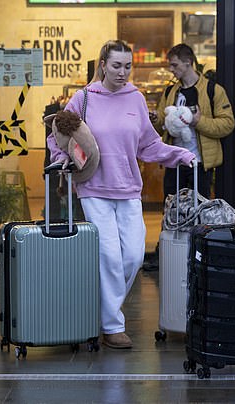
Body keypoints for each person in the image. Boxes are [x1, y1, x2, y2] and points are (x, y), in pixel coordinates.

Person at [47, 40, 195, 349]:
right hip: (93, 188)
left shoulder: (136, 99)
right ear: (102, 64)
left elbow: (148, 144)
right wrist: (60, 158)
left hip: (129, 188)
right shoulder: (84, 97)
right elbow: (58, 134)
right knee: (110, 257)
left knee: (133, 256)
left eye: (128, 66)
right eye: (116, 66)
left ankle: (102, 313)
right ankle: (112, 325)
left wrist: (177, 153)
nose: (123, 72)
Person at [151, 43, 235, 199]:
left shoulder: (213, 90)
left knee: (200, 208)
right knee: (172, 208)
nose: (171, 69)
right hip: (174, 161)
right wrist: (156, 120)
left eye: (174, 65)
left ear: (188, 63)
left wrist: (198, 122)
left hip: (200, 163)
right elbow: (163, 125)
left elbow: (227, 124)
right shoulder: (170, 91)